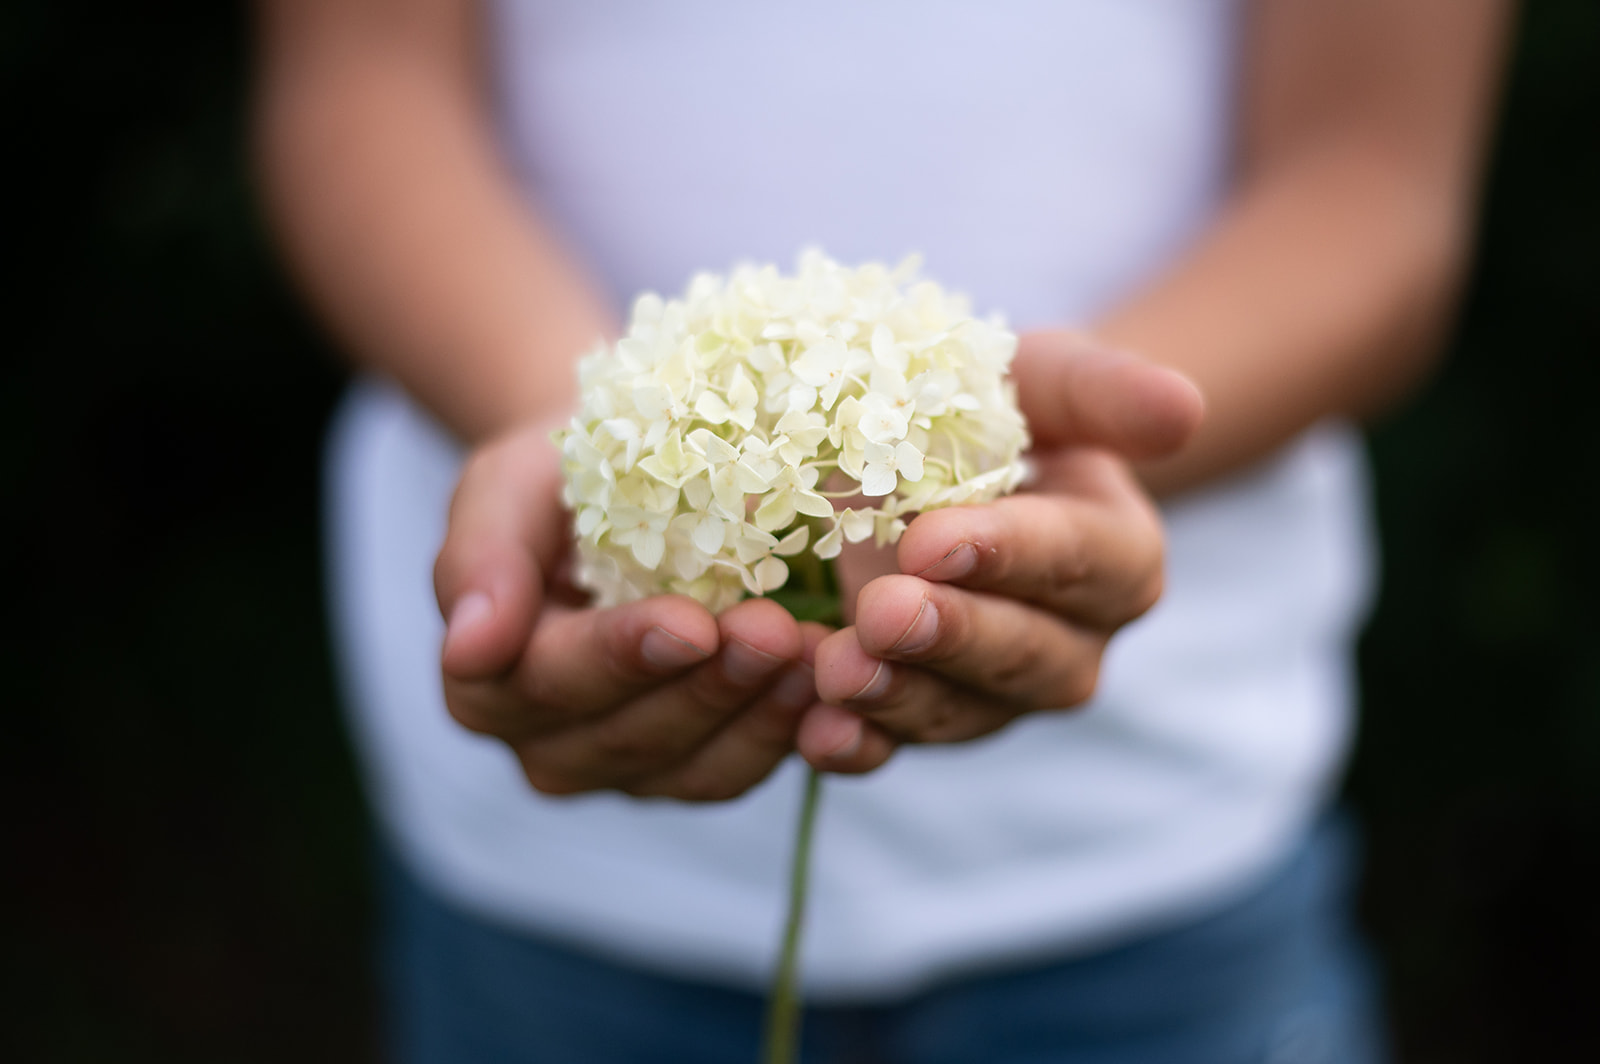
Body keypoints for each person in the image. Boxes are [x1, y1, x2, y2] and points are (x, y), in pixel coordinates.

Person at [255, 1, 1510, 1061]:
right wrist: (562, 421)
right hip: (556, 884)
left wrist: (1045, 453)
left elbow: (1374, 182)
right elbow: (361, 81)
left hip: (1163, 848)